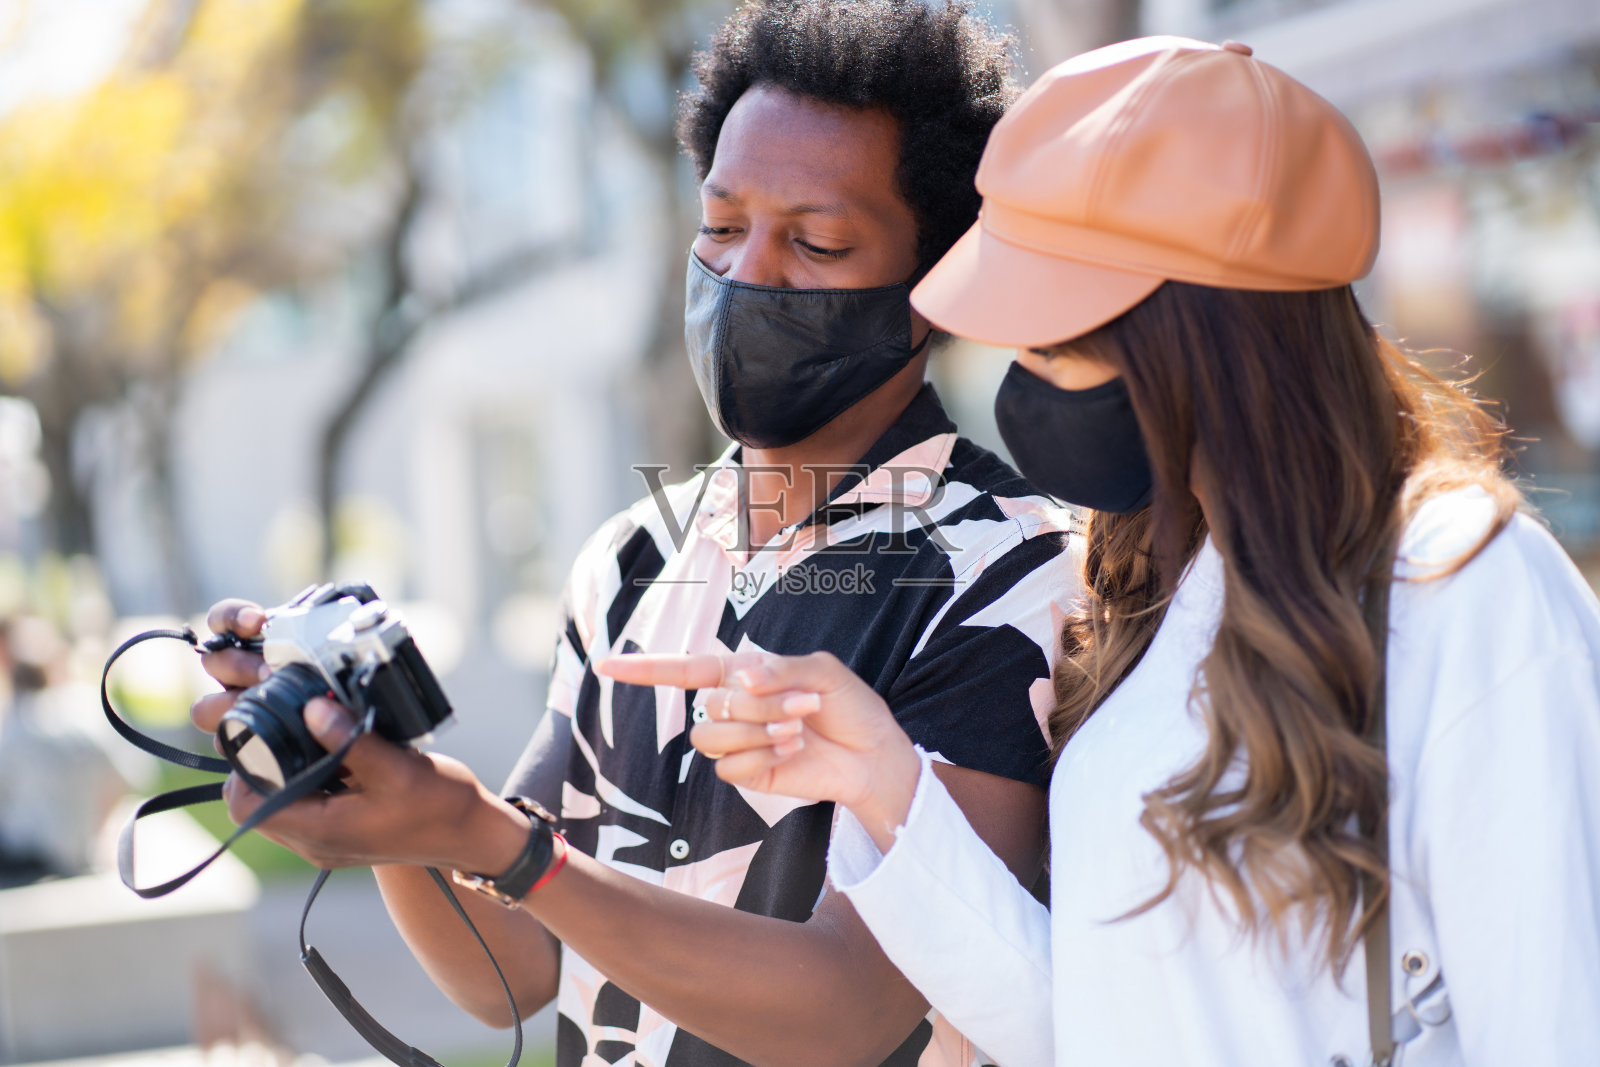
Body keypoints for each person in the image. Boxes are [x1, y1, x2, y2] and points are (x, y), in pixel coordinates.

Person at [604, 36, 1600, 1067]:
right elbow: (1085, 1024)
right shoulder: (1152, 595)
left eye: (1051, 337)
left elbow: (1554, 1022)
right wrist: (883, 779)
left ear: (1194, 335)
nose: (1023, 381)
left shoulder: (1461, 584)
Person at [192, 3, 1082, 1065]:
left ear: (934, 283)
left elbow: (854, 1007)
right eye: (720, 225)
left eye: (817, 241)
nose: (749, 273)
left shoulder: (1017, 573)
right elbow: (513, 968)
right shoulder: (634, 554)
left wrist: (499, 842)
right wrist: (381, 782)